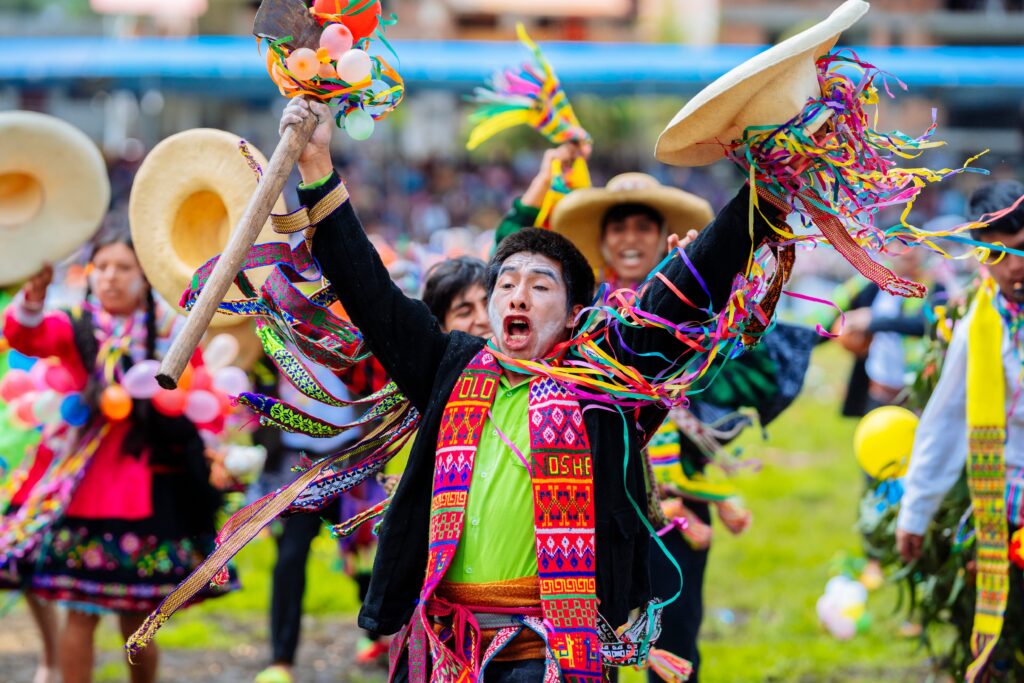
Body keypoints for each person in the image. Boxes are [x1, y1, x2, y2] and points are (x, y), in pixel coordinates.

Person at [279, 97, 790, 682]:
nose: (517, 296)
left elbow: (682, 289)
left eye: (539, 286)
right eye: (506, 284)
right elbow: (370, 293)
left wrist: (766, 191)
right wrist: (317, 165)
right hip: (450, 650)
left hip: (554, 652)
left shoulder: (601, 378)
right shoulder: (451, 366)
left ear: (575, 313)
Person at [499, 148, 814, 682]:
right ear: (600, 241)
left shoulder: (703, 315)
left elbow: (746, 367)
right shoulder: (574, 316)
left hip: (676, 512)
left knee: (678, 645)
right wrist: (543, 176)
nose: (630, 239)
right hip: (586, 508)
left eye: (644, 228)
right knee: (592, 644)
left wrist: (694, 322)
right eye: (617, 227)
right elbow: (503, 261)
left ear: (662, 233)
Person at [1, 234, 231, 683]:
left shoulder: (172, 333)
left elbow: (200, 396)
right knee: (81, 614)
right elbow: (28, 336)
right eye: (101, 267)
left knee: (137, 621)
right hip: (84, 491)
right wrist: (33, 297)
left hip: (151, 492)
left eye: (122, 267)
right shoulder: (77, 328)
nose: (110, 276)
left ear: (145, 278)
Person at [896, 180, 1024, 680]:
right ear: (980, 258)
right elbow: (947, 420)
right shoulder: (981, 322)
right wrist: (916, 510)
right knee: (1001, 641)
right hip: (1005, 508)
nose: (1016, 266)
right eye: (1000, 253)